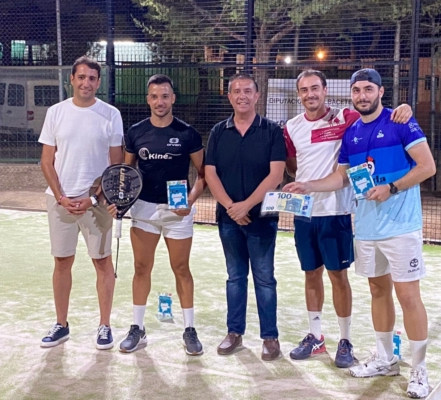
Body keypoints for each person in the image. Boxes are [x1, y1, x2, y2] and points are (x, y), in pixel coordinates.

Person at [285, 68, 435, 399]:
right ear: (350, 95)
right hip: (366, 228)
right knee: (378, 292)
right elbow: (340, 178)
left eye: (368, 89)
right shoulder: (351, 132)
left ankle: (420, 369)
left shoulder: (400, 123)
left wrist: (391, 188)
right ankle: (385, 359)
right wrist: (308, 185)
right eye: (356, 91)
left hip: (401, 227)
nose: (362, 95)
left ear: (381, 92)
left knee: (408, 297)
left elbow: (427, 166)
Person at [111, 74, 206, 356]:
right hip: (144, 210)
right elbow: (126, 175)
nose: (159, 101)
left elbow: (203, 175)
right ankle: (137, 329)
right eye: (154, 96)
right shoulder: (137, 132)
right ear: (148, 99)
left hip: (177, 212)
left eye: (165, 96)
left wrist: (189, 201)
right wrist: (121, 201)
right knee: (142, 269)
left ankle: (189, 329)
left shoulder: (188, 133)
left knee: (181, 269)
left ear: (173, 98)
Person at [39, 56, 124, 350]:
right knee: (62, 262)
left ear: (98, 83)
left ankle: (104, 326)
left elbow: (115, 167)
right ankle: (61, 325)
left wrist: (92, 198)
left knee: (102, 263)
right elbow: (47, 161)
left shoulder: (111, 114)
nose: (86, 83)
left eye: (92, 78)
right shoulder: (55, 112)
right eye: (81, 77)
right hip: (59, 203)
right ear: (72, 80)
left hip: (96, 205)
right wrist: (62, 197)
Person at [205, 73, 286, 361]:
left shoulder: (272, 131)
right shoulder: (218, 132)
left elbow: (276, 174)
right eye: (236, 91)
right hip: (228, 220)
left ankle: (270, 337)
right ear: (229, 97)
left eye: (247, 91)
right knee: (235, 277)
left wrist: (246, 206)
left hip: (262, 219)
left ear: (257, 95)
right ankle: (234, 332)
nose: (242, 96)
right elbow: (210, 173)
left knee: (264, 279)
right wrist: (231, 207)